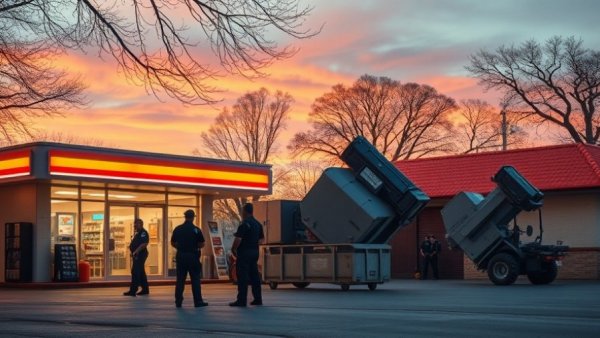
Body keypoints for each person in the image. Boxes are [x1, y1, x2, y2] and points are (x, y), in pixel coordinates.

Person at [170, 209, 208, 308]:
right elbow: (202, 243)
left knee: (180, 280)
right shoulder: (196, 229)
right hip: (193, 256)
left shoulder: (178, 229)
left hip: (181, 255)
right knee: (195, 279)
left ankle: (178, 301)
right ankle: (198, 301)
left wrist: (179, 247)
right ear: (193, 217)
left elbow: (173, 242)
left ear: (185, 217)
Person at [229, 203, 264, 307]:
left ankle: (241, 300)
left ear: (244, 211)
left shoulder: (244, 224)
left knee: (242, 277)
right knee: (255, 276)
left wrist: (233, 249)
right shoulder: (258, 224)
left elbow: (238, 239)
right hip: (254, 253)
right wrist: (253, 243)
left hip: (244, 253)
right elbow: (262, 239)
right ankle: (258, 299)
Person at [123, 218, 150, 296]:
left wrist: (135, 252)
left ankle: (133, 290)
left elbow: (144, 244)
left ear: (141, 224)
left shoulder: (143, 233)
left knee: (135, 271)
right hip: (137, 254)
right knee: (141, 272)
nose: (135, 226)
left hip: (140, 254)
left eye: (136, 224)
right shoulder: (138, 233)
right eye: (134, 224)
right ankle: (145, 289)